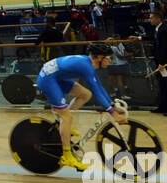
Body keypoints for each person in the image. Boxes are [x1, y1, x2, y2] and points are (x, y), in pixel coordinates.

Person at [33, 42, 126, 171]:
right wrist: (113, 113)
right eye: (109, 58)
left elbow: (98, 86)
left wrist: (111, 105)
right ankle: (67, 156)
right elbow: (97, 89)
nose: (110, 61)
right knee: (67, 117)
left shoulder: (89, 64)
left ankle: (62, 124)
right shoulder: (86, 66)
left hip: (55, 77)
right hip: (48, 80)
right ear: (99, 57)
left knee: (86, 94)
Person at [144, 11, 167, 116]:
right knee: (163, 85)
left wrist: (161, 62)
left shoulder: (164, 30)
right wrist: (140, 38)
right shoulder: (159, 29)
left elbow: (164, 48)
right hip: (162, 64)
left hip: (166, 64)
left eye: (151, 18)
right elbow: (154, 38)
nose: (149, 20)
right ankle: (163, 106)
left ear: (158, 18)